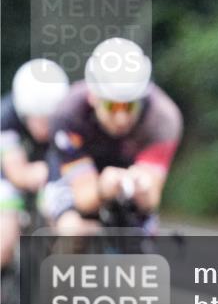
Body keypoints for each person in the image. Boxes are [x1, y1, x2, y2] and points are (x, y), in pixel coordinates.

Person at [43, 38, 183, 236]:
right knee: (72, 232)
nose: (121, 118)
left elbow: (151, 200)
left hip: (127, 170)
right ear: (93, 97)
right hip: (79, 175)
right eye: (112, 106)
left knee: (142, 239)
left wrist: (143, 187)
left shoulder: (163, 119)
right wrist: (102, 189)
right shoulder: (68, 114)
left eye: (129, 106)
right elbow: (84, 197)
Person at [0, 59, 69, 268]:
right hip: (7, 172)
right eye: (37, 120)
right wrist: (40, 173)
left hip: (50, 170)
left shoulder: (69, 116)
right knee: (5, 238)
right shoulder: (5, 117)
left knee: (59, 215)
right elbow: (16, 173)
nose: (44, 127)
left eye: (49, 119)